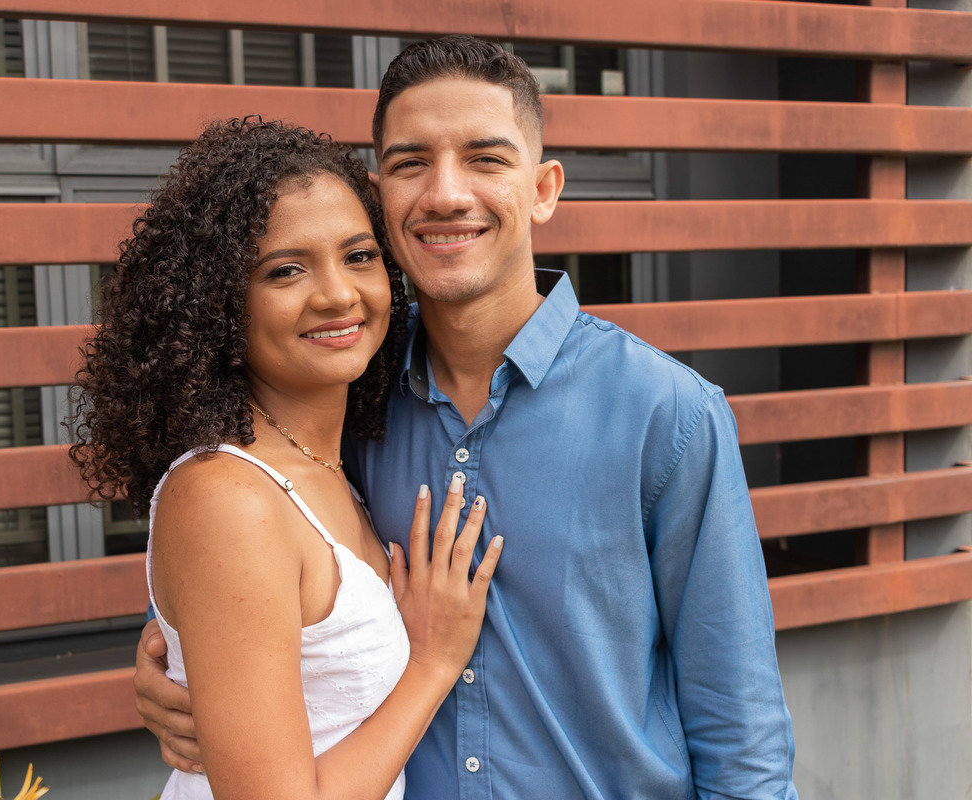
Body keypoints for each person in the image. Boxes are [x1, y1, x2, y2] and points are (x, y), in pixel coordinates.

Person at [136, 37, 799, 799]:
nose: (446, 194)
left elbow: (740, 732)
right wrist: (164, 666)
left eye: (486, 159)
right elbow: (240, 578)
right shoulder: (342, 390)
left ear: (545, 188)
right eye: (412, 162)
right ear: (380, 195)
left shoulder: (668, 415)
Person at [69, 117, 503, 800]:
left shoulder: (337, 463)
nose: (337, 293)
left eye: (359, 256)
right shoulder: (229, 497)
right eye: (286, 270)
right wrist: (434, 662)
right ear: (219, 305)